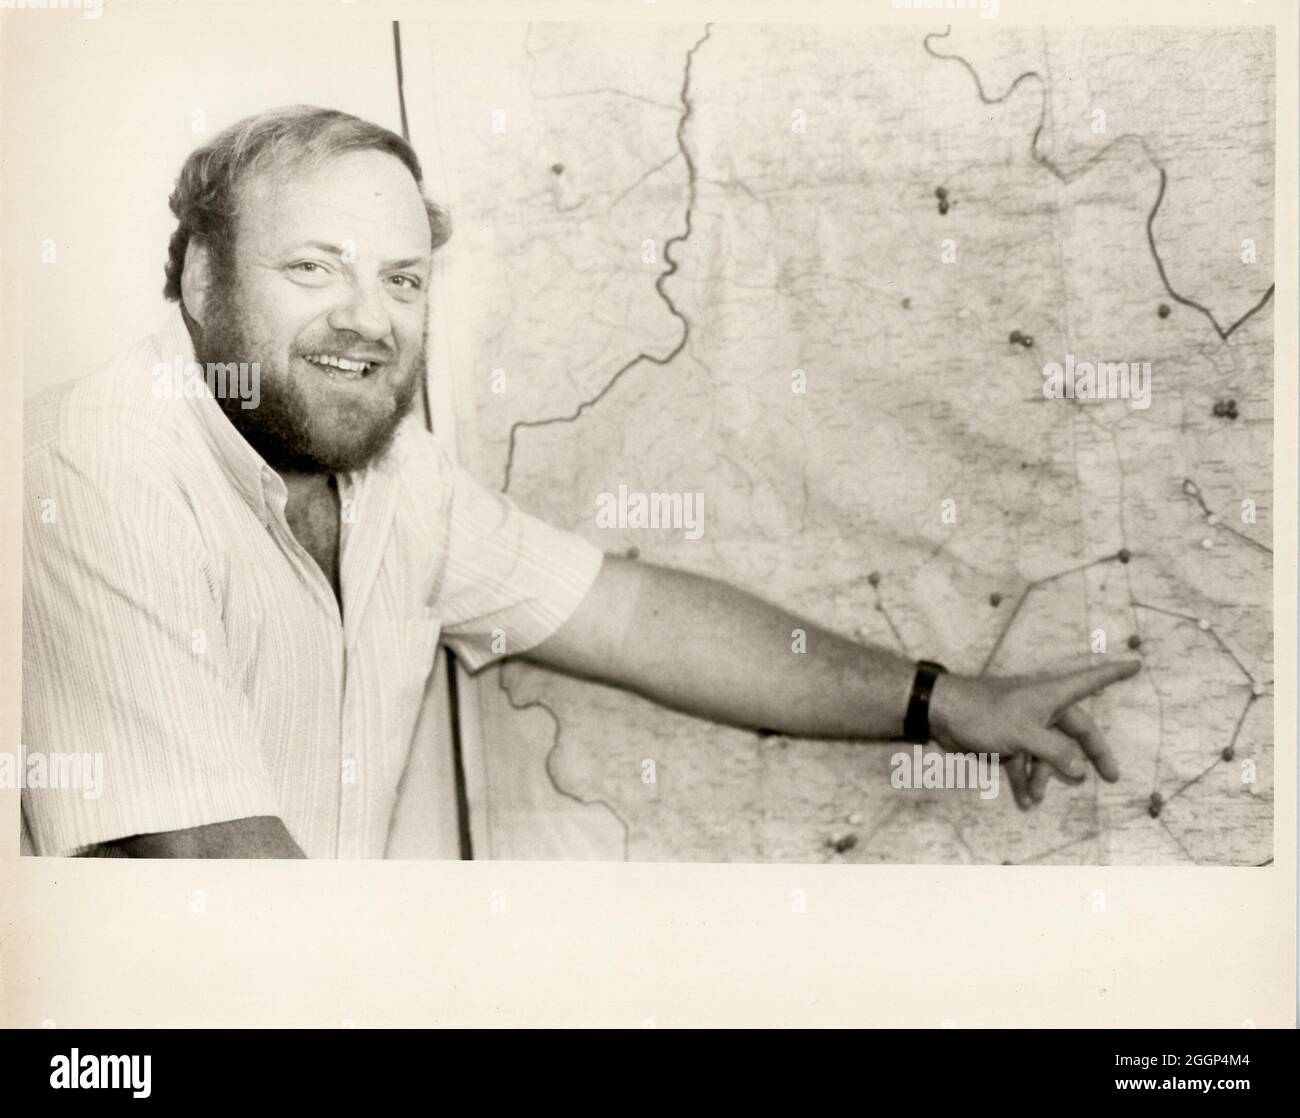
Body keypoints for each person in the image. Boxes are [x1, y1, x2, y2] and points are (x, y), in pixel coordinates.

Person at [21, 106, 1139, 858]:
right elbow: (214, 892)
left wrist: (943, 702)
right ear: (201, 277)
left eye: (400, 278)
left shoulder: (390, 475)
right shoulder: (99, 465)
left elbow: (628, 614)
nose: (366, 319)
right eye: (311, 267)